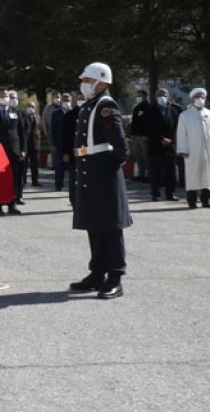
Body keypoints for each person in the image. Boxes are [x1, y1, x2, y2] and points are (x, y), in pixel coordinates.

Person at [69, 62, 130, 300]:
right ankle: (97, 273)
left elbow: (121, 146)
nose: (83, 84)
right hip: (89, 172)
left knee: (111, 228)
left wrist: (108, 166)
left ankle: (115, 277)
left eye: (87, 80)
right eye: (84, 80)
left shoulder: (105, 106)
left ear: (101, 82)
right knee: (95, 225)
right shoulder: (90, 105)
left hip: (103, 173)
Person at [176, 88, 210, 209]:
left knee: (207, 175)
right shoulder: (185, 115)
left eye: (202, 97)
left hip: (208, 150)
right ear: (192, 99)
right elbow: (181, 134)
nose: (200, 99)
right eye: (197, 96)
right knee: (193, 175)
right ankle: (192, 201)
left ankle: (206, 200)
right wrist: (183, 149)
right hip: (192, 151)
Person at [0, 89, 26, 216]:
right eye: (2, 96)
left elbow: (22, 132)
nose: (5, 98)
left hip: (14, 150)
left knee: (13, 178)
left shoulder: (16, 112)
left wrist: (23, 149)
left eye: (7, 96)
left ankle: (12, 204)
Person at [145, 88, 179, 201]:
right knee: (155, 172)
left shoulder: (174, 110)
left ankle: (170, 193)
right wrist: (161, 139)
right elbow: (149, 128)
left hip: (170, 146)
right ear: (155, 97)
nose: (162, 97)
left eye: (164, 95)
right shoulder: (150, 110)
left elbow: (177, 128)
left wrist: (171, 140)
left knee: (171, 173)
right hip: (155, 146)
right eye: (159, 95)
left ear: (168, 96)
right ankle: (155, 193)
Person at [49, 94, 71, 191]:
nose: (66, 102)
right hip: (59, 143)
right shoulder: (55, 113)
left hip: (71, 144)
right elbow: (53, 129)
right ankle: (58, 185)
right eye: (64, 100)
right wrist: (53, 143)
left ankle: (72, 185)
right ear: (61, 101)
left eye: (68, 100)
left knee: (72, 166)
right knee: (59, 166)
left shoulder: (74, 112)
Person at [129, 91, 151, 183]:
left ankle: (149, 175)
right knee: (139, 157)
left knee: (146, 157)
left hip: (144, 136)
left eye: (140, 96)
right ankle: (141, 174)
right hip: (137, 136)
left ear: (145, 97)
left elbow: (149, 123)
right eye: (137, 96)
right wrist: (133, 133)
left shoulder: (148, 107)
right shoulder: (136, 108)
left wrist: (147, 135)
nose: (138, 98)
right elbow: (134, 122)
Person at [24, 99, 43, 187]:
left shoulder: (38, 117)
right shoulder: (23, 117)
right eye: (29, 106)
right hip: (25, 145)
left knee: (35, 165)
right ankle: (23, 181)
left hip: (35, 144)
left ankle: (35, 181)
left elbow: (39, 129)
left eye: (33, 107)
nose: (31, 108)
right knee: (24, 165)